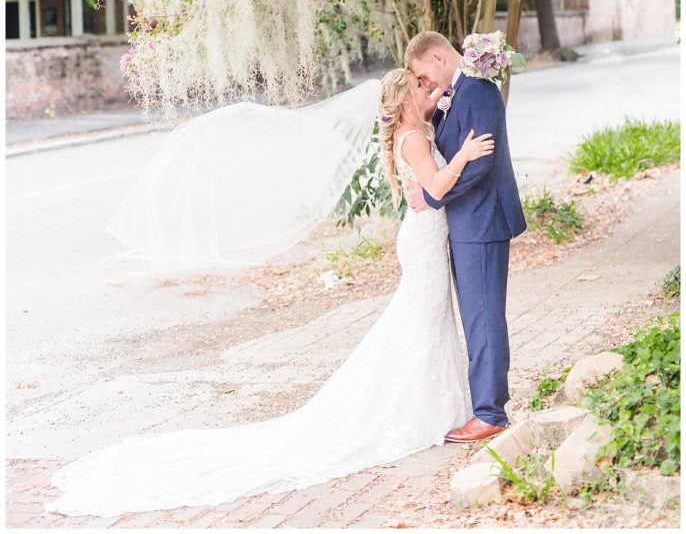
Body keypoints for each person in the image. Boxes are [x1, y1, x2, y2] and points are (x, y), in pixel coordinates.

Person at [46, 68, 494, 518]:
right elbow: (436, 186)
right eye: (420, 86)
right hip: (422, 241)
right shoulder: (414, 138)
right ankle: (416, 409)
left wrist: (450, 84)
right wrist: (464, 156)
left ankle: (432, 405)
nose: (430, 90)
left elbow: (431, 122)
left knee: (426, 321)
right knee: (421, 320)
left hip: (423, 235)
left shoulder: (415, 126)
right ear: (403, 100)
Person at [405, 31, 527, 443]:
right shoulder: (456, 94)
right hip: (467, 223)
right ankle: (486, 406)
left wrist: (432, 195)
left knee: (484, 317)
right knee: (477, 316)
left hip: (483, 220)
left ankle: (490, 413)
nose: (425, 85)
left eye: (424, 75)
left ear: (439, 57)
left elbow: (481, 166)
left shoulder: (477, 92)